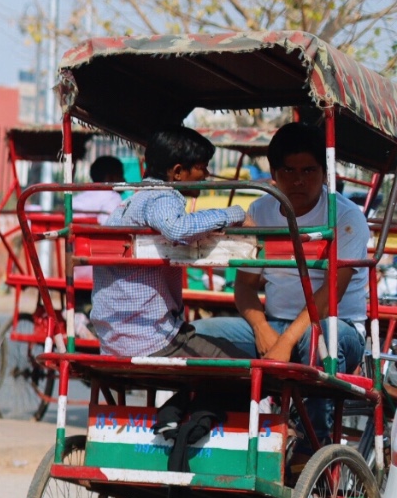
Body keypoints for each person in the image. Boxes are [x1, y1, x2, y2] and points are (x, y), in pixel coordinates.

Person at [191, 121, 367, 375]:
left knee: (321, 336)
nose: (298, 181)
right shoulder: (259, 211)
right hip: (275, 324)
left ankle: (314, 415)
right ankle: (212, 411)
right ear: (273, 173)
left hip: (336, 327)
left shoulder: (346, 216)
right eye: (288, 170)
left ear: (324, 172)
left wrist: (286, 342)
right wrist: (262, 329)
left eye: (308, 171)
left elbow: (332, 293)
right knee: (198, 333)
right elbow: (244, 284)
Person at [86, 127, 247, 361]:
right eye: (202, 167)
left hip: (113, 339)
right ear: (178, 172)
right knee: (243, 366)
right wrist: (235, 214)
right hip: (150, 338)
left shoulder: (132, 200)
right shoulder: (161, 196)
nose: (207, 175)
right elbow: (178, 228)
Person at [71, 155, 129, 221]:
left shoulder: (78, 198)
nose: (125, 180)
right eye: (121, 176)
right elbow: (110, 226)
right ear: (110, 178)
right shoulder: (113, 197)